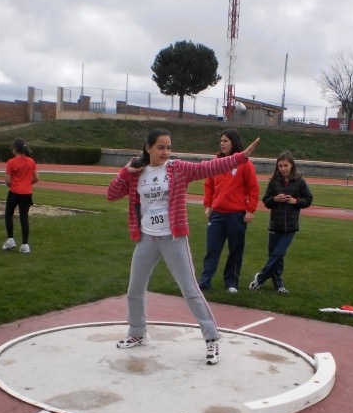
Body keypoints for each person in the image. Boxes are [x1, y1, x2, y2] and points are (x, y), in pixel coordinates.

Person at [107, 127, 260, 365]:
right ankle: (137, 332)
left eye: (169, 147)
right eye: (161, 147)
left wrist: (241, 157)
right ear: (148, 148)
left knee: (190, 290)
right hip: (146, 238)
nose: (166, 152)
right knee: (134, 289)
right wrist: (125, 172)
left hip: (173, 237)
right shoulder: (138, 173)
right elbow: (112, 194)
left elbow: (209, 168)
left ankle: (212, 339)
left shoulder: (177, 168)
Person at [198, 129, 259, 294]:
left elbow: (253, 188)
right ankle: (205, 282)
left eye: (225, 141)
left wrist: (250, 210)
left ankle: (231, 282)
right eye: (221, 140)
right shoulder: (216, 162)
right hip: (217, 213)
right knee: (212, 249)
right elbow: (209, 185)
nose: (222, 143)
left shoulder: (245, 163)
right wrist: (208, 205)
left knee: (235, 249)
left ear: (233, 142)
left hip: (236, 214)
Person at [249, 151, 313, 295]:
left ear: (292, 165)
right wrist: (275, 199)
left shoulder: (300, 182)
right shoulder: (274, 182)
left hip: (290, 226)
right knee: (276, 257)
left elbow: (308, 199)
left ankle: (260, 278)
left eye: (286, 165)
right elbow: (266, 201)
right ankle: (279, 285)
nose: (283, 169)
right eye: (280, 166)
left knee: (278, 254)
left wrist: (295, 201)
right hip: (275, 224)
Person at [2, 137, 39, 253]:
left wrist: (14, 185)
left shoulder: (11, 162)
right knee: (24, 218)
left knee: (8, 214)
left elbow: (7, 181)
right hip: (27, 193)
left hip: (14, 192)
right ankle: (25, 245)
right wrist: (27, 183)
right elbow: (37, 178)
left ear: (14, 149)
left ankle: (10, 240)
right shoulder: (31, 161)